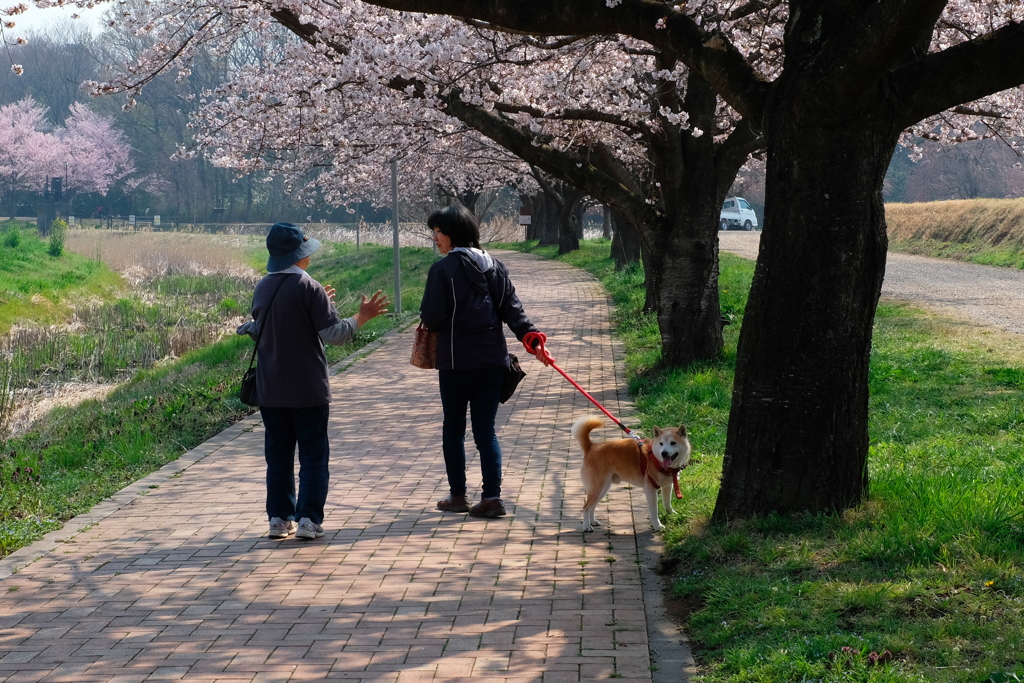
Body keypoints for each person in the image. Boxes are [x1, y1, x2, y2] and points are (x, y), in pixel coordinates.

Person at [238, 222, 389, 540]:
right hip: (308, 389)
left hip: (271, 389)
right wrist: (362, 316)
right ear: (300, 256)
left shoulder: (263, 286)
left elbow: (264, 326)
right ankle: (308, 519)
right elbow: (334, 335)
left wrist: (323, 303)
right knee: (313, 455)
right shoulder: (310, 287)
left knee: (277, 456)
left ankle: (278, 519)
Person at [419, 205, 550, 518]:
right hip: (493, 362)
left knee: (454, 428)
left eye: (438, 232)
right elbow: (513, 311)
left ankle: (458, 496)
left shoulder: (442, 270)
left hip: (455, 364)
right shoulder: (495, 267)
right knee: (485, 432)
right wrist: (533, 341)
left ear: (453, 234)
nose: (435, 238)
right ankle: (492, 498)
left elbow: (432, 317)